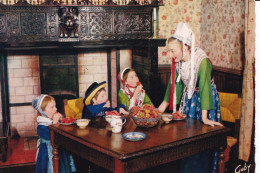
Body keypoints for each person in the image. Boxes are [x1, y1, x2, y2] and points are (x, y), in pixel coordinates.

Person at [157, 23, 222, 173]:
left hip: (205, 104)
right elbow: (175, 85)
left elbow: (205, 87)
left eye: (173, 51)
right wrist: (160, 108)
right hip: (190, 101)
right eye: (169, 51)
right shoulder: (178, 62)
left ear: (185, 46)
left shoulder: (202, 61)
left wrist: (205, 118)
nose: (171, 55)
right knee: (186, 142)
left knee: (201, 143)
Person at [32, 94, 76, 173]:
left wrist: (60, 122)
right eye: (52, 107)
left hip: (59, 151)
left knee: (62, 168)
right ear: (43, 110)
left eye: (55, 106)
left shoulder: (51, 121)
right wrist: (55, 123)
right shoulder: (41, 126)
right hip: (48, 154)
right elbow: (51, 136)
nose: (55, 109)